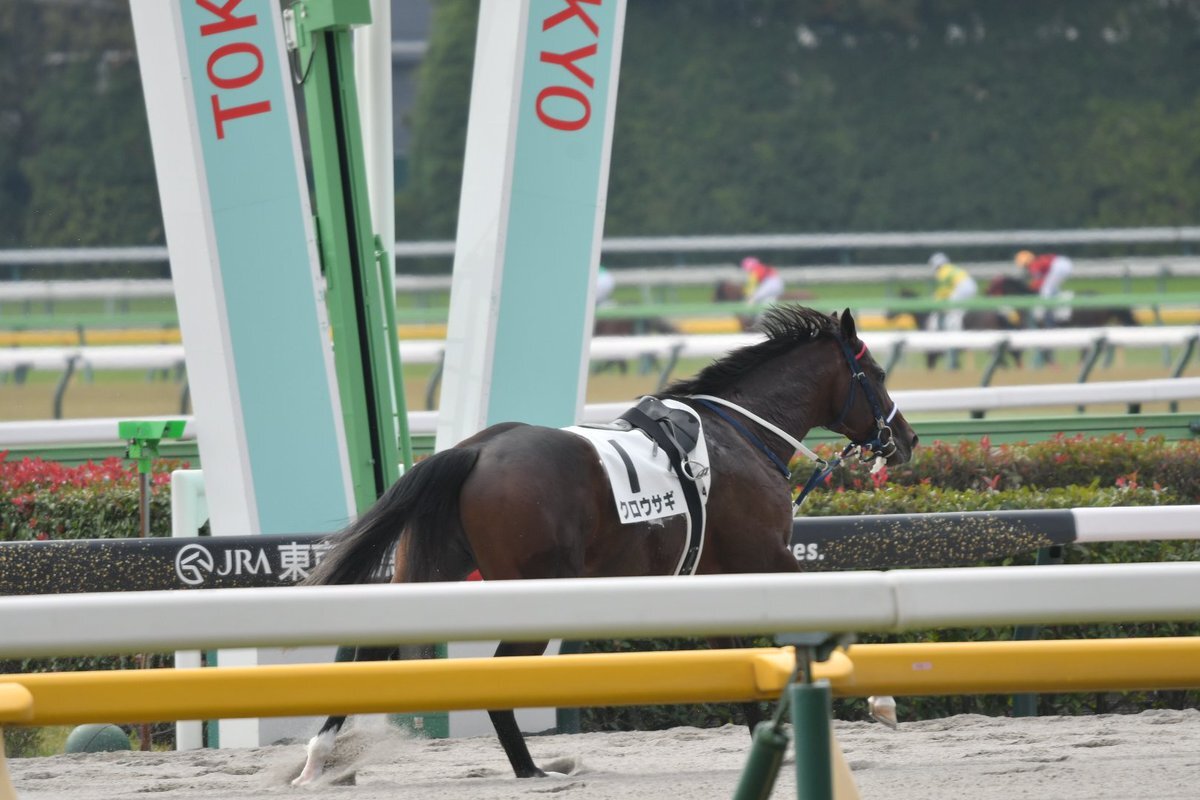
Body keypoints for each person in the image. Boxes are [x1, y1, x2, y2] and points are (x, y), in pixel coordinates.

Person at [1014, 249, 1073, 324]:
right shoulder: (1037, 261)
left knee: (1046, 290)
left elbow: (1039, 282)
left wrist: (1030, 287)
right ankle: (1059, 313)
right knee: (1052, 290)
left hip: (1059, 265)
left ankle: (1048, 317)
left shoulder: (1033, 265)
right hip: (1065, 263)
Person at [928, 252, 978, 332]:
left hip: (962, 287)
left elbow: (943, 291)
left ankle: (955, 331)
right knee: (963, 309)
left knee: (952, 309)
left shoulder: (942, 272)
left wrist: (935, 301)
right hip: (972, 286)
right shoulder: (952, 268)